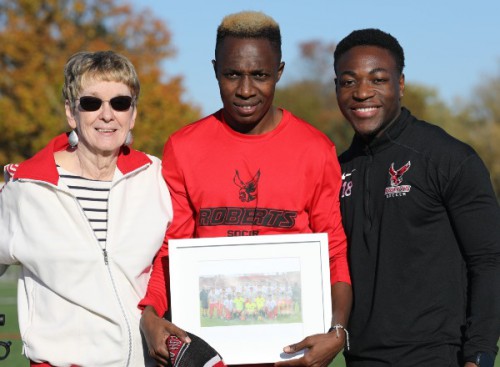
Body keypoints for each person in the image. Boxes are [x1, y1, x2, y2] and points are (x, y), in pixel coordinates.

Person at [138, 10, 352, 367]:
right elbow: (169, 249)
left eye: (260, 75)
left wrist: (337, 332)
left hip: (291, 355)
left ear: (279, 72)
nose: (246, 89)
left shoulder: (315, 149)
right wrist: (150, 314)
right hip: (209, 353)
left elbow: (335, 253)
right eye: (232, 74)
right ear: (214, 70)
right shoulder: (184, 146)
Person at [334, 28, 500, 367]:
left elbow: (490, 260)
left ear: (401, 84)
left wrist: (479, 355)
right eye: (348, 82)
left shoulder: (448, 157)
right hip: (359, 359)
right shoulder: (336, 170)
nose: (362, 93)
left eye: (377, 79)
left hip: (439, 356)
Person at [0, 50, 174, 366]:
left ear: (132, 114)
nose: (107, 115)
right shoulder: (26, 189)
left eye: (120, 103)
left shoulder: (157, 179)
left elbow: (176, 256)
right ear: (71, 112)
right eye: (91, 103)